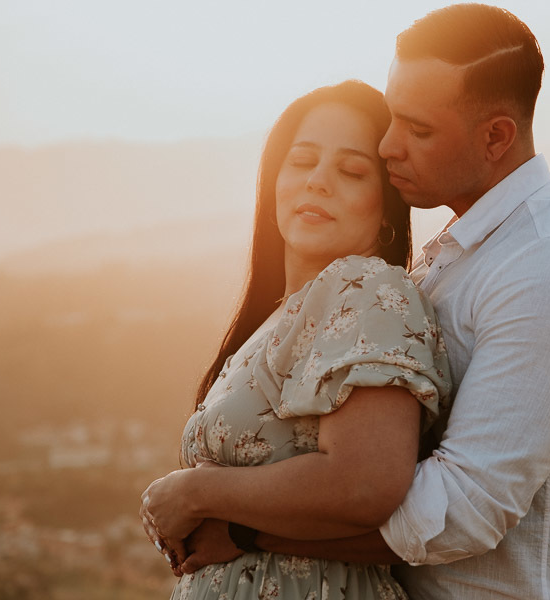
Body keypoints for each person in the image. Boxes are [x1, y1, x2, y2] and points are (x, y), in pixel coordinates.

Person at [177, 4, 550, 599]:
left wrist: (247, 531)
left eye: (417, 129)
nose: (387, 144)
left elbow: (463, 510)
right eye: (392, 117)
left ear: (497, 136)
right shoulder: (448, 259)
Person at [139, 79, 451, 599]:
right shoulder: (277, 317)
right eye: (302, 162)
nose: (318, 182)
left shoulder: (369, 288)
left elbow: (365, 484)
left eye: (351, 171)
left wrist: (196, 490)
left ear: (386, 205)